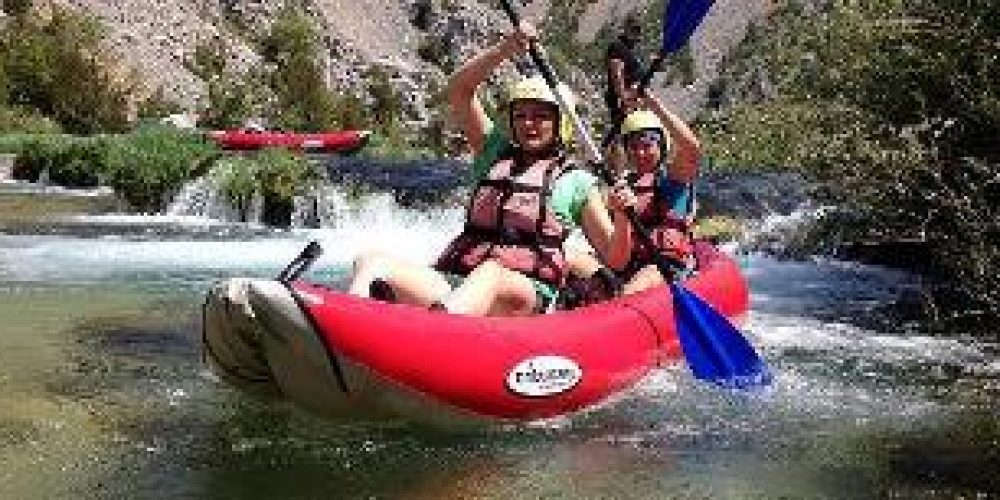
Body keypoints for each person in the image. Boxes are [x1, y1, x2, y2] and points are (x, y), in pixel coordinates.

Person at [347, 22, 616, 316]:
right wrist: (504, 50)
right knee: (371, 260)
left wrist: (623, 217)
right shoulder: (493, 154)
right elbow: (460, 90)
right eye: (521, 115)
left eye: (540, 116)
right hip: (461, 286)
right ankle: (352, 318)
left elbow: (614, 255)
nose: (529, 123)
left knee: (491, 273)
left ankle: (439, 327)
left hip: (524, 293)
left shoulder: (578, 182)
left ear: (560, 123)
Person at [559, 91, 701, 308]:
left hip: (665, 267)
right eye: (633, 146)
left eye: (647, 145)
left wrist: (653, 104)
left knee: (637, 286)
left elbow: (691, 148)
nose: (640, 153)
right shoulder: (621, 186)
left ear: (661, 146)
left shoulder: (673, 179)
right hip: (627, 266)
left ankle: (616, 312)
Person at [603, 14, 645, 175]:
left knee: (624, 133)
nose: (636, 34)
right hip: (621, 99)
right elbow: (616, 73)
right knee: (621, 135)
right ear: (626, 29)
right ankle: (618, 172)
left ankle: (614, 168)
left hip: (630, 100)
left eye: (638, 31)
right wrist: (623, 97)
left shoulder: (628, 49)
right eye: (634, 30)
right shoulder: (618, 47)